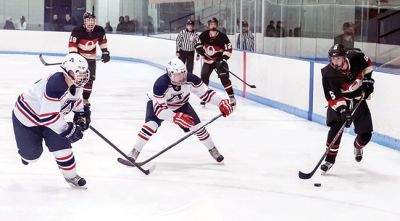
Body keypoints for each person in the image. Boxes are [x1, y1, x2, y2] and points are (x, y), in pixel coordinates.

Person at [120, 58, 233, 165]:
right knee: (151, 125)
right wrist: (176, 117)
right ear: (169, 74)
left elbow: (206, 94)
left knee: (199, 127)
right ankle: (134, 152)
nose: (181, 77)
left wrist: (221, 102)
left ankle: (213, 149)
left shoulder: (191, 79)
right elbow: (160, 111)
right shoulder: (160, 84)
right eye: (177, 74)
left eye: (182, 73)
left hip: (182, 105)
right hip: (159, 106)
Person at [12, 53, 91, 188]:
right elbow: (48, 117)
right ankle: (25, 156)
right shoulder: (55, 85)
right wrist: (67, 129)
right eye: (78, 72)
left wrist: (81, 114)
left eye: (84, 72)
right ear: (67, 71)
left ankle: (71, 176)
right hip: (27, 119)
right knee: (32, 156)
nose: (82, 76)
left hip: (51, 119)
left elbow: (74, 101)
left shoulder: (75, 84)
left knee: (62, 146)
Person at [320, 44, 375, 173]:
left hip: (357, 96)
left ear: (345, 57)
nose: (335, 62)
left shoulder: (356, 56)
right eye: (332, 59)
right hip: (341, 100)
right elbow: (333, 96)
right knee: (336, 127)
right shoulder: (328, 73)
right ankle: (329, 160)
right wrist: (343, 110)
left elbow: (367, 63)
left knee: (366, 135)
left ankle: (357, 146)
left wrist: (367, 81)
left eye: (338, 58)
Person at [68, 12, 110, 105]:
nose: (90, 23)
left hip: (91, 59)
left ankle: (85, 99)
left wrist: (105, 52)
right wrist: (74, 57)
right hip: (79, 58)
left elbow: (102, 42)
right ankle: (72, 97)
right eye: (88, 20)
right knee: (76, 78)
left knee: (90, 79)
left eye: (92, 20)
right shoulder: (77, 30)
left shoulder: (99, 30)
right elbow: (72, 44)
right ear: (84, 21)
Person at [195, 17, 236, 107]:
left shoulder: (222, 36)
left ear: (216, 25)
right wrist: (199, 50)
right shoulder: (204, 35)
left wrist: (223, 59)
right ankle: (205, 97)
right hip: (207, 61)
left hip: (219, 61)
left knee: (224, 79)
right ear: (209, 25)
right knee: (204, 77)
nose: (213, 26)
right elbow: (197, 43)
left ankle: (232, 97)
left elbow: (228, 49)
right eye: (211, 24)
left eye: (214, 24)